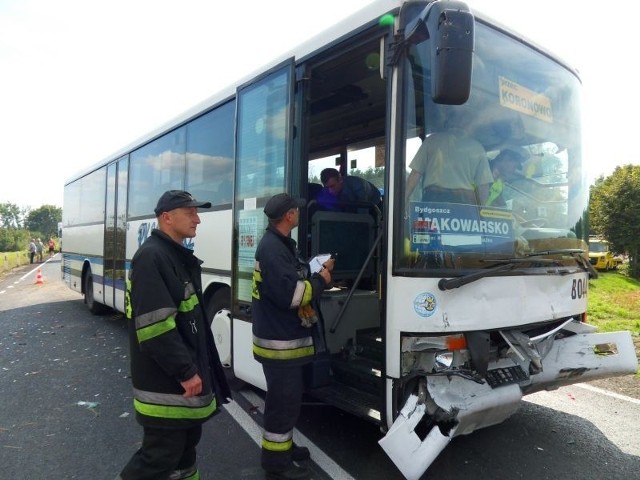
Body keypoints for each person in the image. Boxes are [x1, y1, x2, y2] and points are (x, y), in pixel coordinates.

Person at [118, 190, 231, 480]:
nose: (198, 220)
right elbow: (155, 328)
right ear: (167, 218)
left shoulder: (173, 255)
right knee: (158, 459)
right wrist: (186, 371)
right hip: (165, 388)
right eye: (191, 212)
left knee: (184, 458)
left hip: (177, 388)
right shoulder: (153, 257)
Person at [252, 193, 334, 480]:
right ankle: (277, 465)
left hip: (283, 342)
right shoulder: (273, 249)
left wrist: (309, 271)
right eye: (296, 210)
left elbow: (289, 280)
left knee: (286, 403)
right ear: (288, 216)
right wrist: (320, 280)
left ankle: (282, 448)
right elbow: (293, 295)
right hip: (280, 346)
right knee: (281, 406)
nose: (299, 212)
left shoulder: (279, 244)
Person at [405, 113, 493, 205]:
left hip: (434, 199)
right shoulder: (477, 148)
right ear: (467, 124)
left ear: (449, 122)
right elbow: (483, 186)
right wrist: (480, 212)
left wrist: (403, 201)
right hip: (464, 202)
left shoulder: (432, 140)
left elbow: (415, 174)